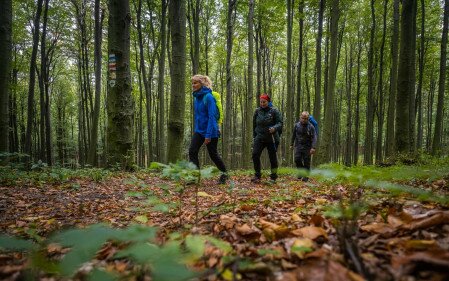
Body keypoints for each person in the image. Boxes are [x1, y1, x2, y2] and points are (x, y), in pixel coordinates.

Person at [189, 74, 228, 184]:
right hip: (199, 130)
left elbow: (212, 117)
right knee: (192, 151)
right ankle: (195, 178)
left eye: (195, 83)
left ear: (202, 84)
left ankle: (224, 174)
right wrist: (198, 129)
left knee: (213, 154)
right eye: (192, 83)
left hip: (210, 131)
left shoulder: (209, 97)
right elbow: (199, 116)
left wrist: (208, 135)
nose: (193, 85)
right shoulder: (197, 97)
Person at [251, 94, 283, 183]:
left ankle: (273, 177)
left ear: (268, 102)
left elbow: (280, 123)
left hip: (271, 138)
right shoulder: (257, 111)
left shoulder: (274, 111)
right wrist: (254, 136)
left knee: (272, 157)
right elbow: (254, 125)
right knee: (255, 154)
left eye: (264, 102)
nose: (262, 103)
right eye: (261, 102)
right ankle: (257, 175)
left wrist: (274, 128)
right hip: (259, 137)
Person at [290, 111, 317, 182]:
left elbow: (314, 137)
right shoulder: (296, 125)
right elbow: (293, 135)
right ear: (300, 117)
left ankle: (306, 176)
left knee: (306, 161)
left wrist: (313, 147)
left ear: (308, 119)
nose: (303, 120)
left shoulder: (311, 127)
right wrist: (291, 144)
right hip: (298, 145)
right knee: (297, 159)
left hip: (307, 146)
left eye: (305, 118)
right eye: (302, 118)